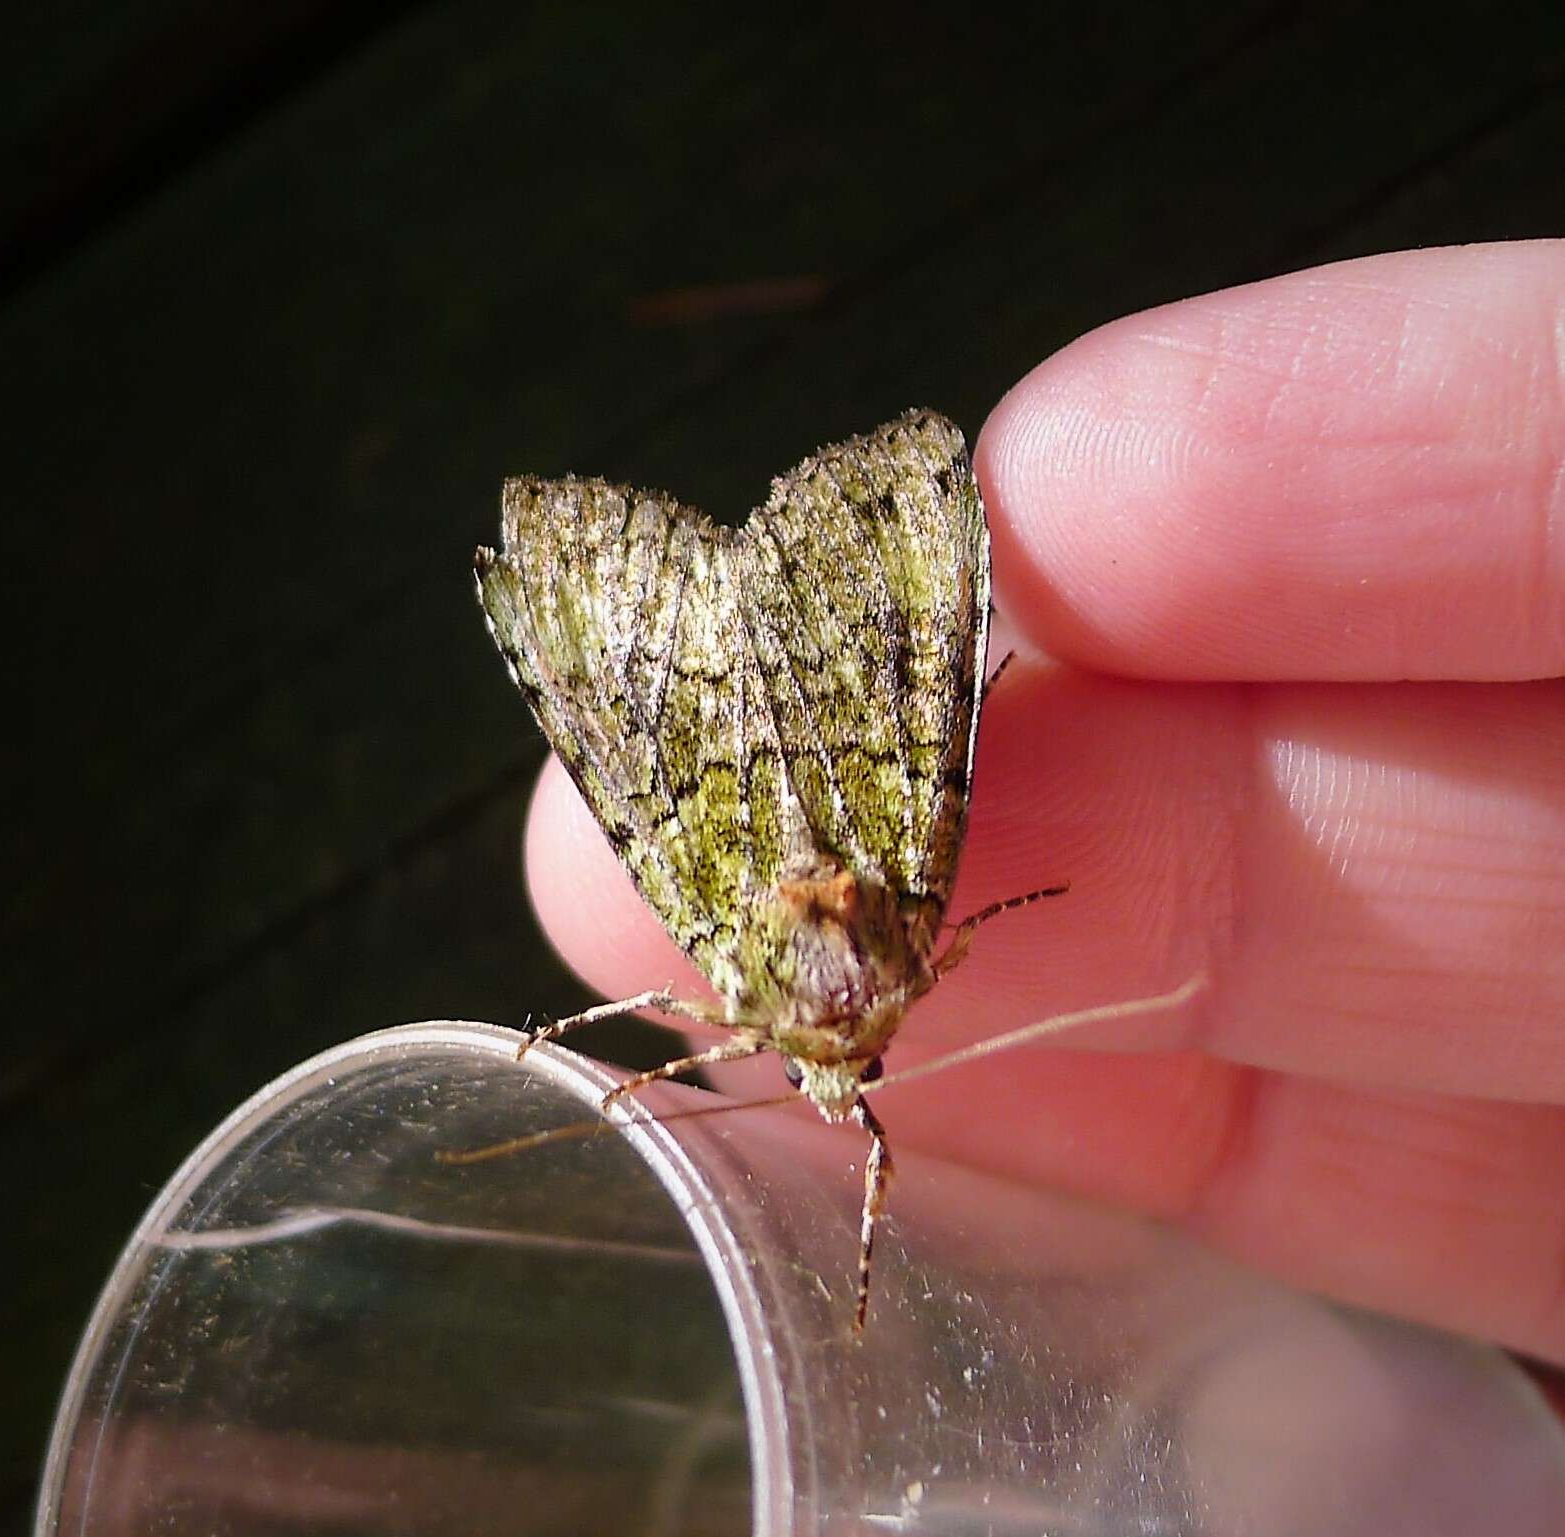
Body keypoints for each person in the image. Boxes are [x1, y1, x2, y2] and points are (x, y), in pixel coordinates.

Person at [522, 242, 1565, 1369]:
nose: (831, 1075)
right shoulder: (835, 958)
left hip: (730, 812)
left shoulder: (870, 951)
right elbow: (951, 936)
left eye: (828, 1068)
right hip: (836, 784)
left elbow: (940, 943)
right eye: (849, 1068)